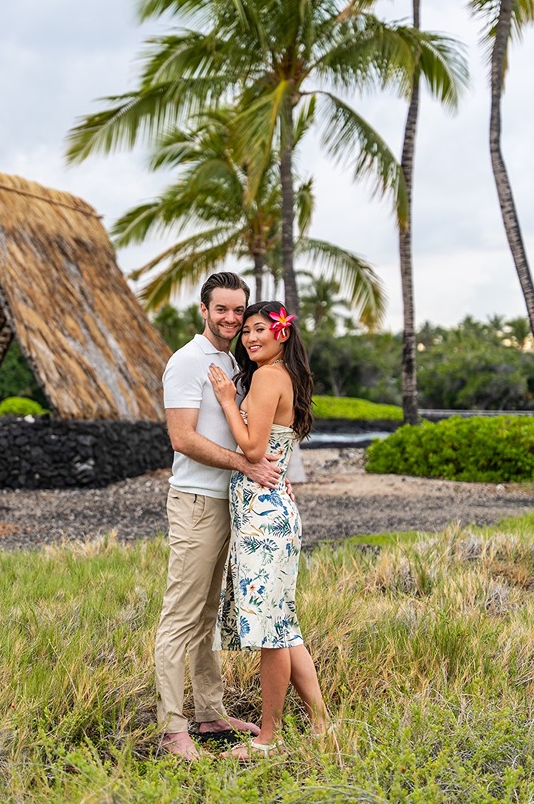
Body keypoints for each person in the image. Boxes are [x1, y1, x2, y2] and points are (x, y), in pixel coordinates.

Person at [156, 272, 284, 760]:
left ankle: (209, 713)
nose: (231, 319)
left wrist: (268, 467)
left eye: (238, 310)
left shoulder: (233, 362)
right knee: (180, 616)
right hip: (195, 502)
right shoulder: (187, 361)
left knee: (209, 614)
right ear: (204, 310)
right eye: (222, 309)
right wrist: (245, 465)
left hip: (228, 502)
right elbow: (182, 438)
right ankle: (172, 729)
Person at [208, 300, 329, 759]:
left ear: (282, 332)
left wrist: (226, 401)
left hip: (264, 516)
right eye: (247, 331)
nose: (250, 338)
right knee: (285, 625)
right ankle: (321, 726)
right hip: (272, 511)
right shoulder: (285, 375)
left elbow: (254, 448)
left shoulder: (266, 377)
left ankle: (267, 739)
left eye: (260, 329)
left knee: (271, 632)